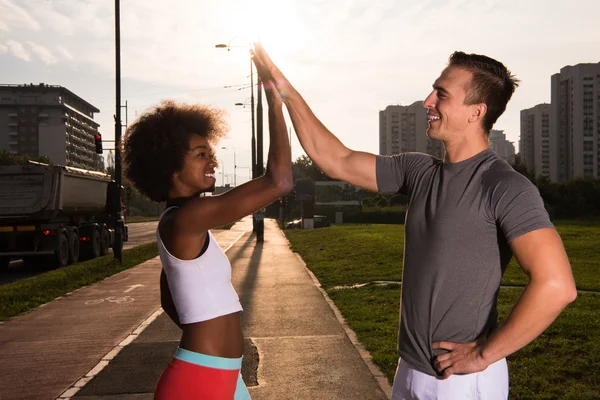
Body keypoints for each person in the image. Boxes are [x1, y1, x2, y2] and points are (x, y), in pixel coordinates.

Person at [252, 44, 577, 399]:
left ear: (476, 112)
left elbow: (556, 285)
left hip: (460, 383)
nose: (428, 101)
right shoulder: (419, 171)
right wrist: (282, 87)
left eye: (441, 94)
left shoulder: (505, 186)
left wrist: (485, 353)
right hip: (409, 370)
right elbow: (337, 159)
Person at [121, 61, 292, 399]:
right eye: (201, 155)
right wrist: (275, 101)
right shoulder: (186, 220)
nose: (212, 162)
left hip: (223, 376)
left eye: (210, 153)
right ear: (169, 165)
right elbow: (279, 181)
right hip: (200, 379)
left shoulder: (182, 221)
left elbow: (169, 298)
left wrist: (207, 333)